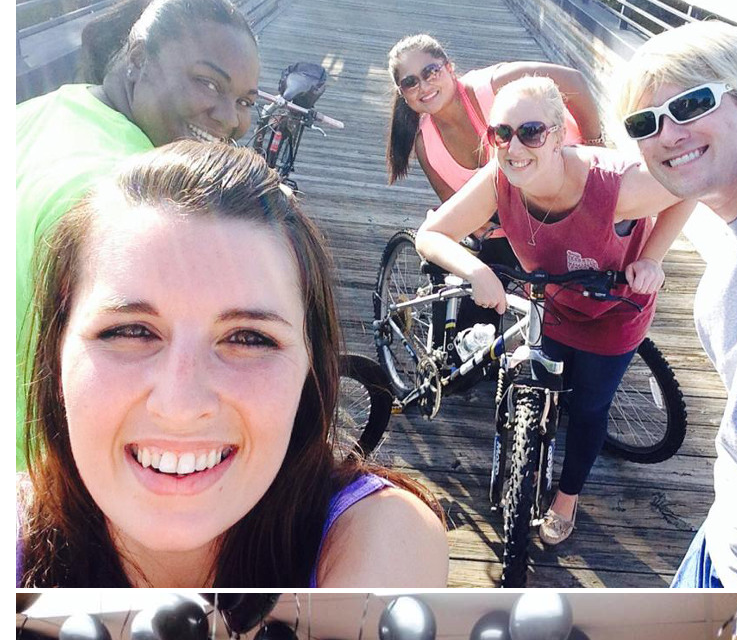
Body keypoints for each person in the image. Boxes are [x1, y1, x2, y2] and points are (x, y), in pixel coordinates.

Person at [16, 142, 448, 589]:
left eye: (248, 338)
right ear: (57, 349)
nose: (180, 405)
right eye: (130, 331)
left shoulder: (380, 540)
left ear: (309, 368)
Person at [415, 76, 692, 545]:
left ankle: (567, 498)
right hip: (556, 302)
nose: (513, 146)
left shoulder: (614, 187)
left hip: (614, 311)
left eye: (531, 131)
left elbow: (690, 183)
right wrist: (476, 271)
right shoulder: (500, 179)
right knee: (545, 381)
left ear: (560, 134)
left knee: (589, 406)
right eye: (500, 133)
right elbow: (431, 234)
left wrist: (652, 257)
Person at [17, 0, 261, 469]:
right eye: (207, 83)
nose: (230, 119)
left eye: (246, 100)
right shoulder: (126, 205)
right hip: (46, 490)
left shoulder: (43, 111)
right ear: (137, 60)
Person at [616, 20, 737, 589]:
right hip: (724, 541)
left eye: (690, 105)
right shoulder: (735, 225)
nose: (668, 134)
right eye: (646, 123)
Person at [386, 34, 603, 294]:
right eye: (410, 83)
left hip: (571, 193)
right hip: (512, 224)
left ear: (449, 68)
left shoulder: (493, 85)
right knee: (473, 318)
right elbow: (459, 209)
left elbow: (573, 80)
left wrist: (595, 146)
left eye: (430, 72)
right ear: (403, 94)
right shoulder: (425, 145)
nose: (423, 85)